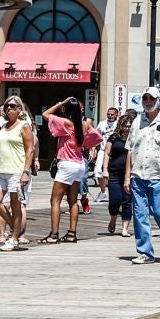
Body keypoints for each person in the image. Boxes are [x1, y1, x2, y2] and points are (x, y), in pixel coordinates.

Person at [123, 87, 160, 264]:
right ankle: (145, 253)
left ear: (158, 100)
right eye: (145, 99)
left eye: (151, 98)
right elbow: (129, 150)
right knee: (140, 215)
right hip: (138, 175)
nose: (148, 102)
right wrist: (127, 177)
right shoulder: (136, 122)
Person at [39, 96, 101, 244]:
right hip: (79, 164)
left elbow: (45, 114)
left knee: (55, 200)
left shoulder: (66, 123)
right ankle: (72, 233)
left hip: (67, 164)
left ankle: (54, 235)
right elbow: (98, 137)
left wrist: (60, 102)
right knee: (73, 200)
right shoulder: (85, 124)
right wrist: (86, 145)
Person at [0, 95, 35, 251]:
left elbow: (30, 149)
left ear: (19, 109)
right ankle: (13, 226)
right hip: (2, 169)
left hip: (16, 170)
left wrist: (26, 171)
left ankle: (15, 237)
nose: (9, 108)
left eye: (12, 106)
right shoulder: (3, 127)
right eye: (6, 106)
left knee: (16, 205)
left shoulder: (23, 126)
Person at [101, 109, 135, 237]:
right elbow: (107, 154)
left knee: (127, 201)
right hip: (114, 173)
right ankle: (113, 219)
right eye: (125, 126)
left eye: (129, 126)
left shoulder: (134, 138)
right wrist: (104, 170)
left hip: (130, 174)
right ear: (121, 125)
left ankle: (125, 228)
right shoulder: (114, 137)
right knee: (115, 201)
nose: (127, 128)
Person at [93, 106, 119, 202]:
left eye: (112, 114)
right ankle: (103, 192)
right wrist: (93, 149)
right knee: (98, 172)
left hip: (115, 152)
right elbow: (96, 136)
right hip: (103, 151)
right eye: (108, 114)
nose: (110, 116)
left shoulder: (119, 124)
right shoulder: (102, 124)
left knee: (114, 174)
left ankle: (114, 193)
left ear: (116, 115)